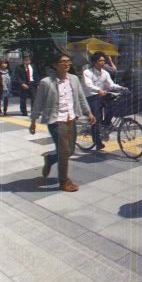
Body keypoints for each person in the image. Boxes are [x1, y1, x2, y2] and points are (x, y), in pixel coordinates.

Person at [30, 52, 95, 192]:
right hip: (55, 121)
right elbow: (38, 103)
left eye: (68, 61)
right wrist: (33, 121)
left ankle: (50, 159)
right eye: (63, 61)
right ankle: (64, 181)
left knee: (69, 151)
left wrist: (88, 112)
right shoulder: (46, 82)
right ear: (55, 65)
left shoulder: (74, 79)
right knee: (65, 152)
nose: (66, 64)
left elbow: (81, 97)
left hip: (71, 118)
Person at [82, 51, 126, 149]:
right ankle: (97, 142)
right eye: (101, 61)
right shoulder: (87, 72)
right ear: (95, 62)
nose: (103, 62)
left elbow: (110, 84)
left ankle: (105, 125)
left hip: (101, 95)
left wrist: (121, 88)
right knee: (96, 119)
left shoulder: (105, 73)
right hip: (91, 97)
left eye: (104, 61)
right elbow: (88, 85)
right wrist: (98, 90)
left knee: (113, 106)